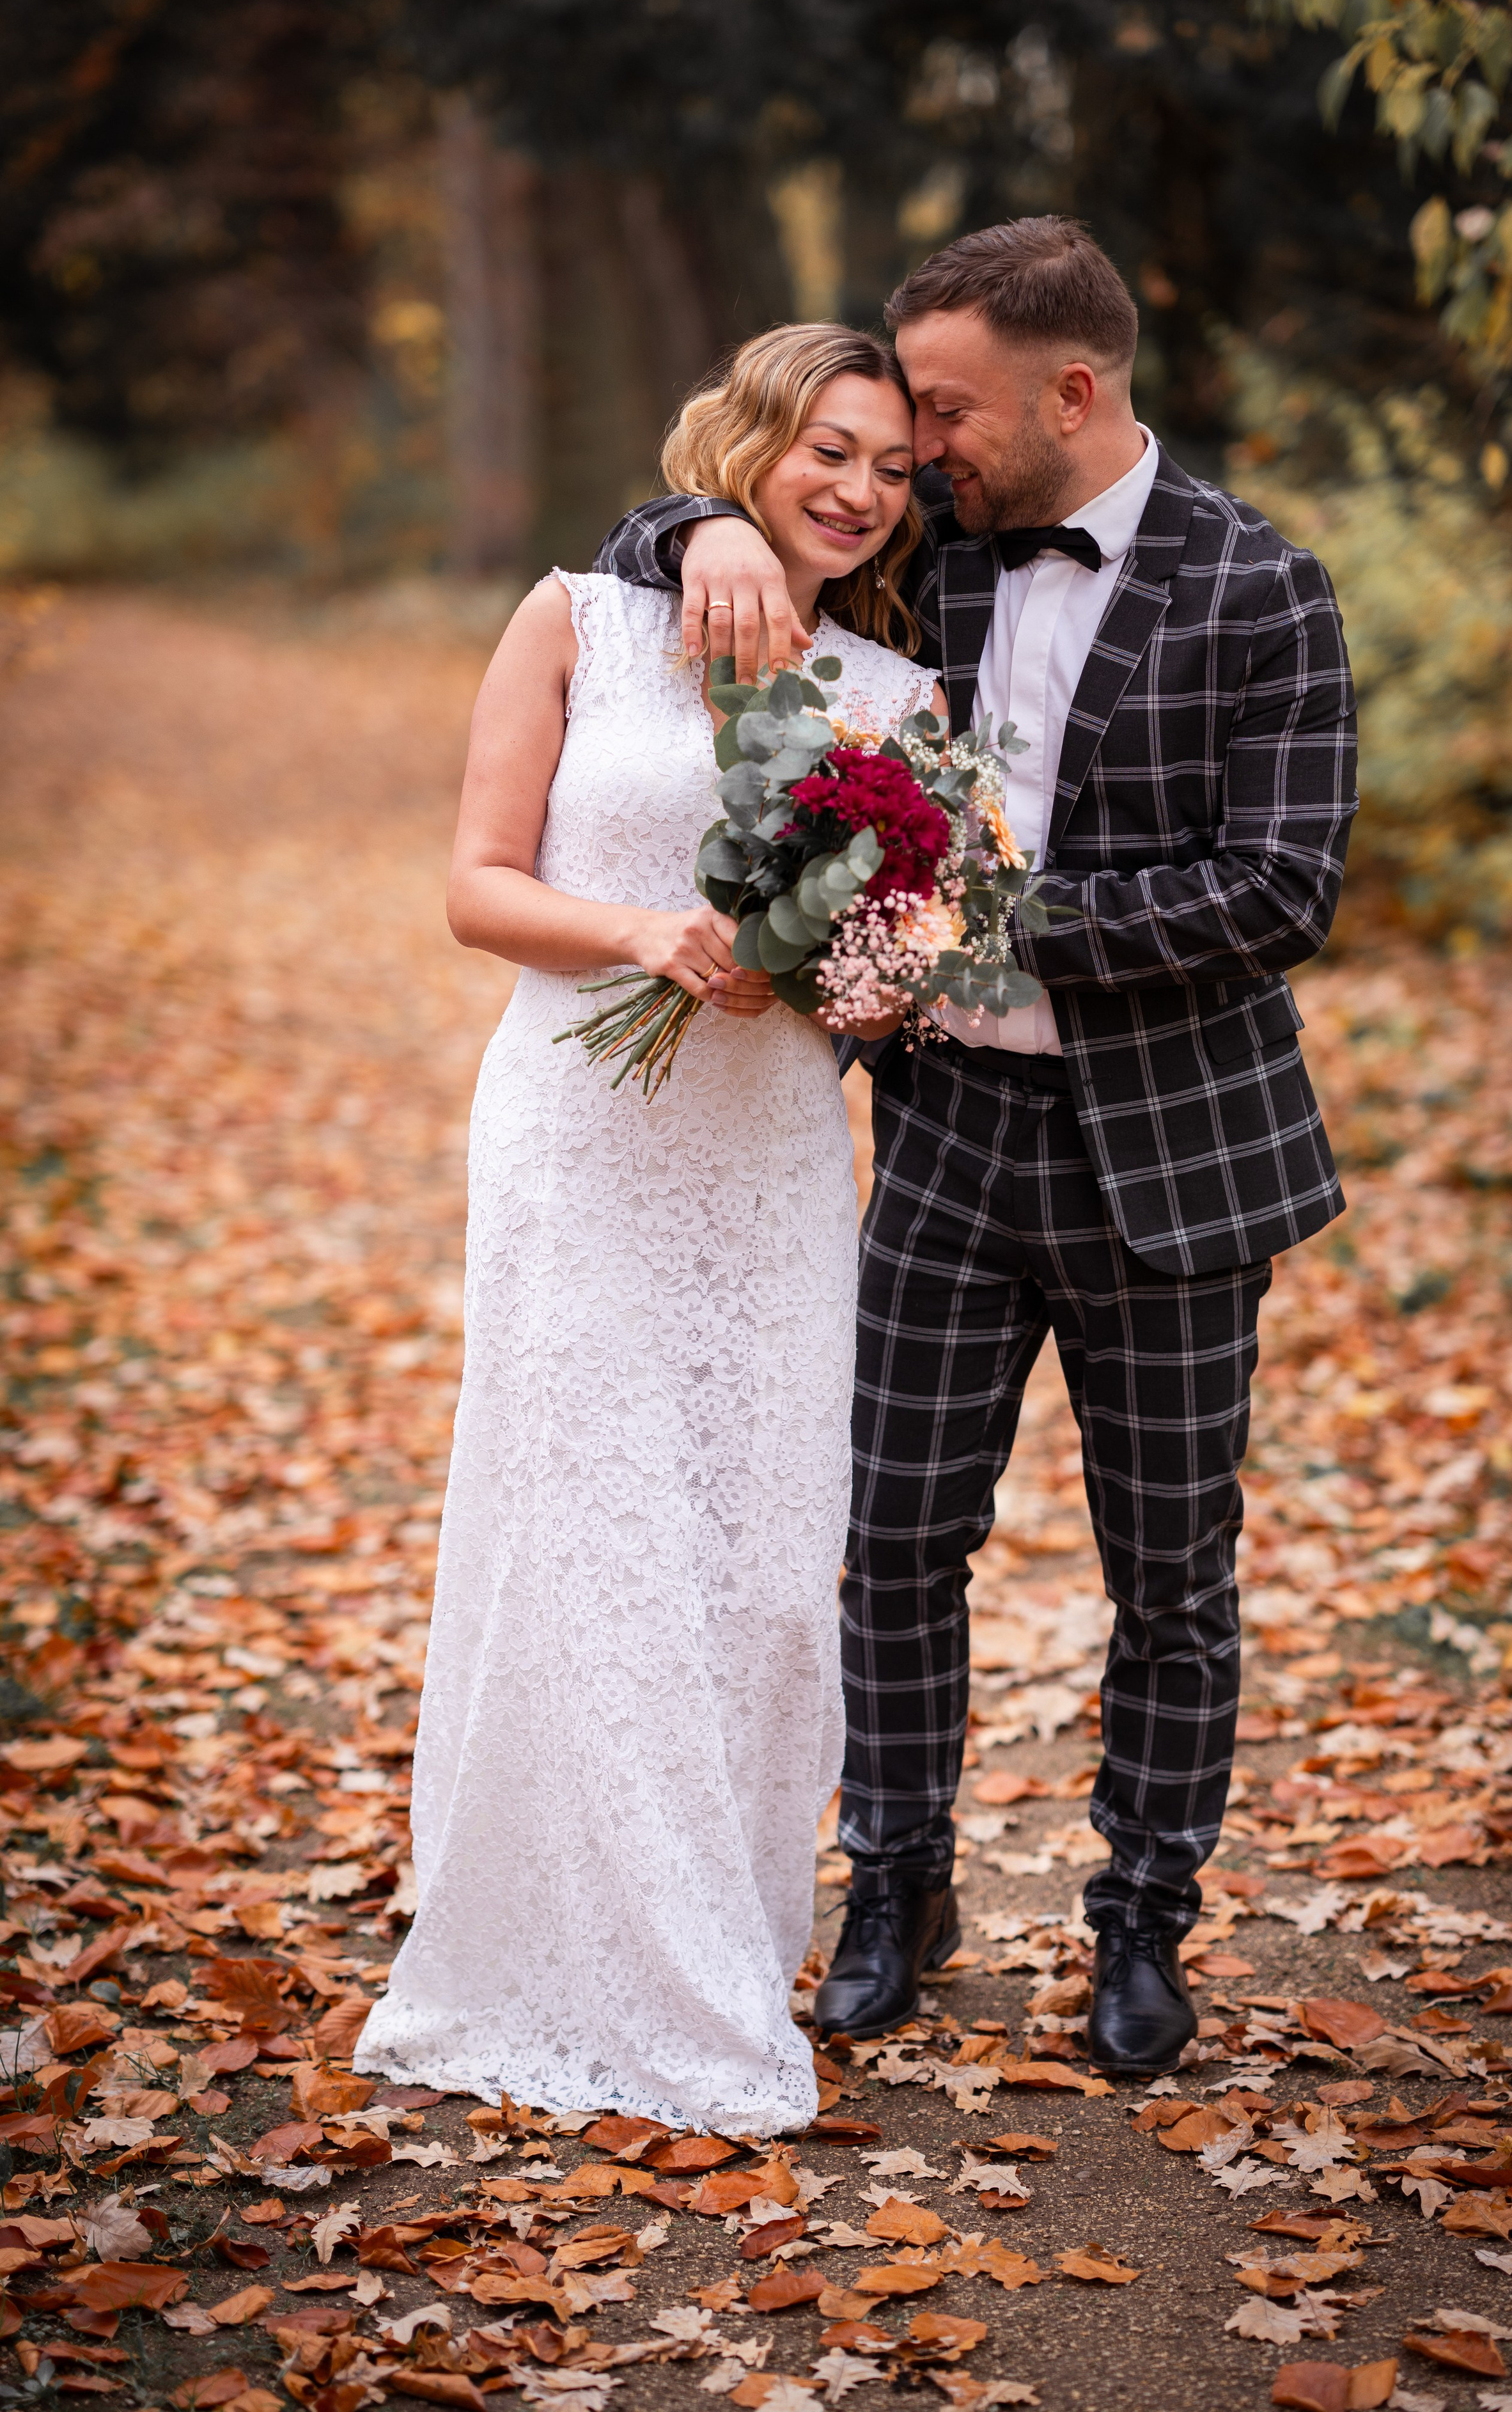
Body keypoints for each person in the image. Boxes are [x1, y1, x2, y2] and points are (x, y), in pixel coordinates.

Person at [597, 216, 1357, 2076]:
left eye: (943, 406)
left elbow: (1281, 887)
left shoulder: (1264, 588)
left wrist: (988, 931)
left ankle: (1142, 1926)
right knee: (895, 1548)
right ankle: (901, 1889)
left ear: (1070, 392)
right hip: (942, 1141)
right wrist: (691, 527)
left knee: (1170, 1573)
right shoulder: (927, 563)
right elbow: (668, 561)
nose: (916, 443)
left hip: (1174, 1165)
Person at [356, 324, 943, 2132]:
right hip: (578, 1131)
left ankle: (716, 1941)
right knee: (589, 1523)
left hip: (766, 1152)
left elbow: (907, 966)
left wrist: (835, 969)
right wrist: (641, 936)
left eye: (895, 469)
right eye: (828, 448)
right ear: (753, 442)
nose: (856, 488)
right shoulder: (579, 620)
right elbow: (475, 886)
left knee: (757, 1560)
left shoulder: (893, 699)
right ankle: (548, 1951)